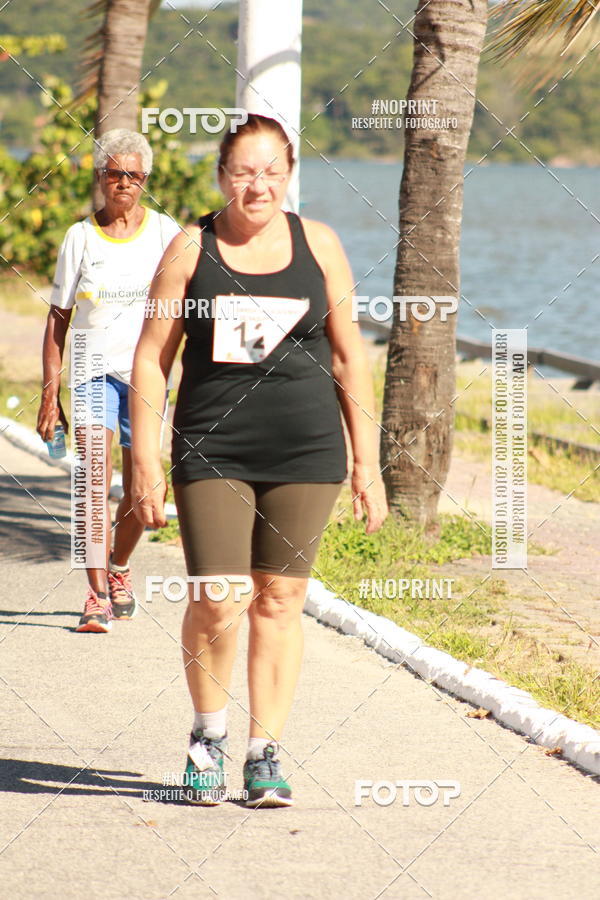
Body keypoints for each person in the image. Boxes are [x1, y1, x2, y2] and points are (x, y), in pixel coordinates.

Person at [130, 113, 387, 807]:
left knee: (279, 600)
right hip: (213, 444)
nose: (258, 184)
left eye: (273, 171)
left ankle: (263, 750)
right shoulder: (191, 248)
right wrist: (145, 459)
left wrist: (367, 463)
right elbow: (152, 361)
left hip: (307, 448)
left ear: (289, 174)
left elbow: (347, 356)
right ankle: (206, 737)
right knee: (218, 598)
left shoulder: (320, 245)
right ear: (222, 175)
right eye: (244, 171)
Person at [37, 128, 180, 634]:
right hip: (92, 364)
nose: (123, 183)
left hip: (147, 373)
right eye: (115, 173)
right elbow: (58, 319)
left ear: (145, 181)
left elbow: (192, 300)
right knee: (90, 482)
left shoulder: (166, 233)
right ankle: (95, 595)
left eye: (133, 175)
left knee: (143, 493)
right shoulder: (79, 238)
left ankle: (119, 565)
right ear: (101, 178)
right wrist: (50, 395)